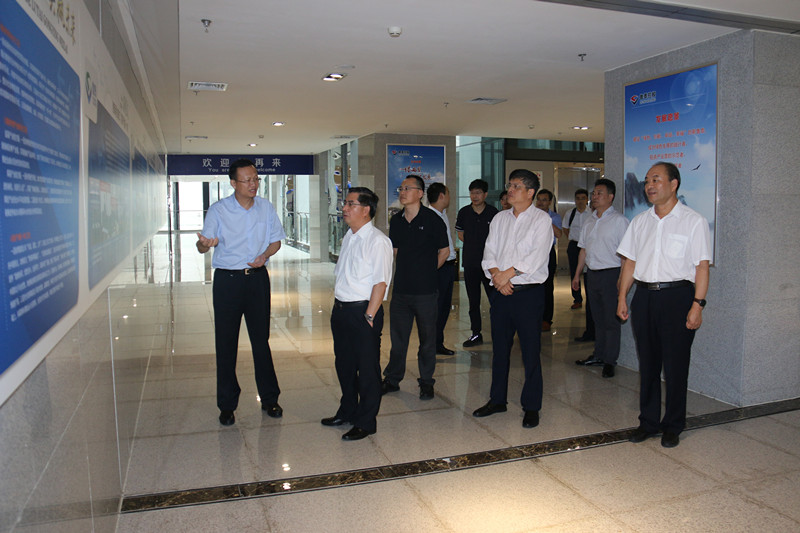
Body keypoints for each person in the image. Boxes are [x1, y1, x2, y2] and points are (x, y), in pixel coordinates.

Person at [617, 161, 711, 448]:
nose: (649, 186)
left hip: (677, 297)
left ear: (674, 184)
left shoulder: (693, 221)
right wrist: (622, 297)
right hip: (644, 296)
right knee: (648, 363)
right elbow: (630, 263)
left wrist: (698, 305)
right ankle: (648, 422)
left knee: (675, 365)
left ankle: (673, 424)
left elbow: (702, 267)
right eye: (647, 180)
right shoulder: (639, 221)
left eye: (656, 180)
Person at [196, 159, 286, 426]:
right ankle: (227, 404)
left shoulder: (266, 207)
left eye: (256, 179)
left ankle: (269, 398)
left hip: (257, 280)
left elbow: (276, 241)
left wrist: (264, 255)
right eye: (247, 180)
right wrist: (205, 244)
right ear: (233, 183)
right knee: (226, 343)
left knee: (261, 341)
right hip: (228, 281)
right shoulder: (219, 210)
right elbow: (203, 245)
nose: (253, 184)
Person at [472, 169, 552, 428]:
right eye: (510, 185)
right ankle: (497, 400)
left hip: (528, 294)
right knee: (500, 350)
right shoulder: (500, 218)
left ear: (530, 192)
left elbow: (536, 257)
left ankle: (532, 406)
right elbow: (489, 252)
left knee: (530, 352)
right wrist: (498, 277)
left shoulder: (541, 220)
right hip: (501, 293)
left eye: (516, 186)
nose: (510, 190)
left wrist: (506, 276)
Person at [323, 187, 393, 441]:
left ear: (366, 210)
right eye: (345, 203)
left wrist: (369, 316)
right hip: (341, 310)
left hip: (363, 312)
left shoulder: (378, 241)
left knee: (367, 370)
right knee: (344, 365)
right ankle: (348, 410)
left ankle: (366, 422)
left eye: (350, 204)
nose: (344, 208)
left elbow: (380, 283)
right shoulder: (349, 237)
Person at [382, 175, 449, 400]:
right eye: (401, 189)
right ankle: (392, 379)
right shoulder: (397, 220)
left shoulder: (432, 220)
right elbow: (396, 251)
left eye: (407, 188)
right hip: (401, 291)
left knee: (427, 340)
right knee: (398, 340)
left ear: (420, 193)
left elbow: (444, 251)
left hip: (426, 292)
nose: (402, 192)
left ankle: (426, 382)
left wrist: (428, 271)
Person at [572, 179, 629, 378]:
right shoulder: (589, 221)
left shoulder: (619, 221)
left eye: (599, 193)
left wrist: (622, 279)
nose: (594, 197)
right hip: (592, 274)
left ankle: (610, 361)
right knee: (597, 318)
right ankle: (599, 355)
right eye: (594, 193)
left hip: (612, 274)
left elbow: (626, 255)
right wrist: (577, 275)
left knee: (611, 320)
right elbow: (583, 250)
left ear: (610, 197)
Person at [455, 179, 499, 347]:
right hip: (471, 262)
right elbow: (461, 234)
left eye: (478, 193)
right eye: (472, 193)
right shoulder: (464, 212)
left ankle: (499, 332)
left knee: (495, 300)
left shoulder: (493, 213)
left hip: (490, 264)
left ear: (485, 194)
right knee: (473, 301)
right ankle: (475, 333)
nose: (475, 196)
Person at [427, 182, 457, 356]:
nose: (449, 198)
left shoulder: (443, 214)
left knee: (444, 308)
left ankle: (438, 343)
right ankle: (430, 347)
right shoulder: (430, 217)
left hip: (448, 267)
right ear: (441, 196)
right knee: (435, 309)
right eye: (448, 194)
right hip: (438, 268)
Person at [535, 189, 562, 331]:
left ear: (550, 202)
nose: (540, 203)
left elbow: (559, 234)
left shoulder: (554, 217)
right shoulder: (530, 215)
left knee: (547, 286)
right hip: (533, 254)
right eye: (539, 199)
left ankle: (546, 319)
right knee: (533, 286)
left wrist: (546, 220)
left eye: (544, 200)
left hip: (548, 253)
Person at [563, 189, 589, 309]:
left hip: (588, 246)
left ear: (587, 199)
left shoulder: (592, 213)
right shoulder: (570, 213)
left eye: (583, 198)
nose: (580, 201)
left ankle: (590, 297)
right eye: (578, 198)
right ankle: (577, 299)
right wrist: (572, 237)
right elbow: (565, 228)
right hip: (574, 245)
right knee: (574, 272)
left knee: (588, 273)